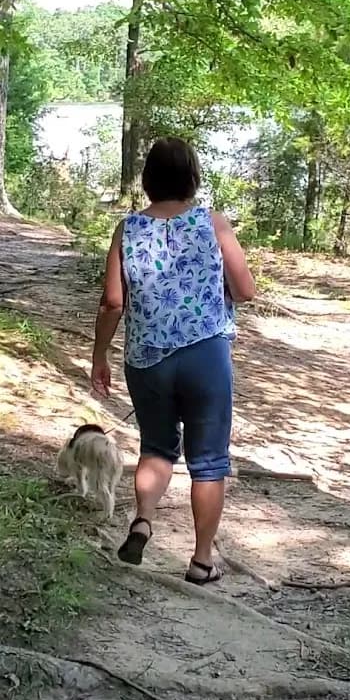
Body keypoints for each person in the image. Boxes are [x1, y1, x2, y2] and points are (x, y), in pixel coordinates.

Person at [91, 136, 256, 585]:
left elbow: (111, 303)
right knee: (208, 461)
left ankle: (143, 520)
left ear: (148, 181)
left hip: (147, 358)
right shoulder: (213, 223)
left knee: (157, 447)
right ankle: (202, 560)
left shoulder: (128, 229)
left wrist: (99, 356)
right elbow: (245, 289)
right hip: (206, 354)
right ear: (192, 178)